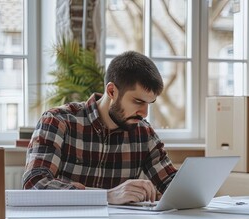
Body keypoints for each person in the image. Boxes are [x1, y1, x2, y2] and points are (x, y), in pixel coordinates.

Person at [22, 51, 178, 205]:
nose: (144, 113)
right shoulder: (58, 121)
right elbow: (34, 185)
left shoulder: (144, 133)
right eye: (138, 101)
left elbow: (173, 186)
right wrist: (106, 196)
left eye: (148, 104)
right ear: (111, 91)